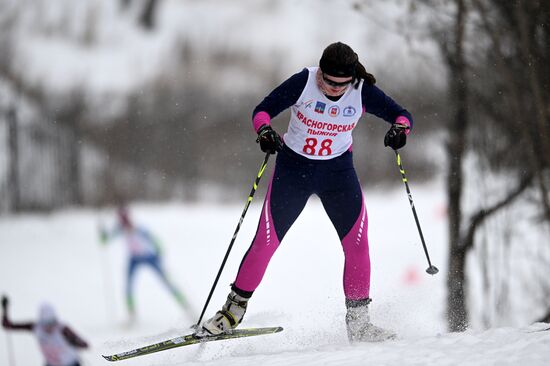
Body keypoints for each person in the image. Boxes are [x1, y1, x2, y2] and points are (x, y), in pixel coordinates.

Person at [200, 42, 413, 342]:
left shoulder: (362, 90)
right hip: (293, 173)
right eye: (327, 81)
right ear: (320, 72)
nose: (333, 89)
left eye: (341, 84)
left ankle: (359, 324)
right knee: (265, 243)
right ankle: (231, 312)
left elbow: (401, 115)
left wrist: (400, 130)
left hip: (338, 175)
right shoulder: (304, 81)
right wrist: (264, 132)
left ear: (351, 79)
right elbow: (262, 111)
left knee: (357, 245)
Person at [100, 205, 193, 322]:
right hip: (134, 259)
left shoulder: (140, 228)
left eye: (125, 219)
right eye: (121, 220)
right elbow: (104, 240)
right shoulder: (120, 230)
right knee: (128, 286)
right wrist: (102, 233)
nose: (123, 223)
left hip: (150, 257)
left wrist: (159, 252)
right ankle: (131, 314)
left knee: (167, 282)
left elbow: (155, 240)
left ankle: (186, 306)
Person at [1, 295, 89, 366]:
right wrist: (5, 309)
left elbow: (85, 344)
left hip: (70, 363)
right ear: (41, 321)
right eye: (46, 323)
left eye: (52, 322)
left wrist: (75, 342)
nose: (50, 326)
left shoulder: (63, 329)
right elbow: (8, 325)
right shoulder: (36, 327)